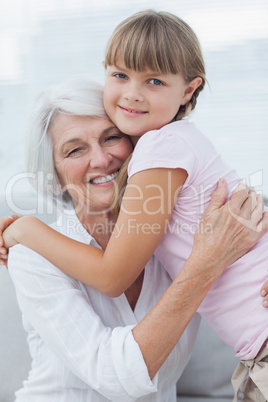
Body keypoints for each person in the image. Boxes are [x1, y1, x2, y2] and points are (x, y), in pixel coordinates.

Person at [1, 10, 268, 401]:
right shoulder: (34, 256)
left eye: (111, 138)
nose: (100, 159)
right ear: (54, 174)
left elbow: (244, 209)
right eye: (75, 149)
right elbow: (111, 375)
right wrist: (207, 260)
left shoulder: (162, 175)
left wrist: (25, 228)